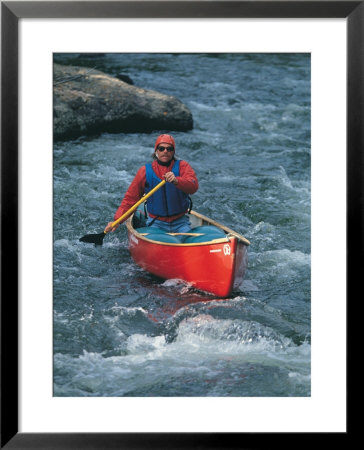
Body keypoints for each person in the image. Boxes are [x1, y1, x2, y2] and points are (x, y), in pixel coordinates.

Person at [104, 134, 198, 235]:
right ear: (156, 151)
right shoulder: (144, 171)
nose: (165, 151)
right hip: (156, 223)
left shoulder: (183, 166)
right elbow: (130, 199)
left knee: (188, 240)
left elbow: (193, 187)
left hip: (180, 222)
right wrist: (117, 220)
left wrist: (177, 181)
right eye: (161, 148)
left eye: (169, 149)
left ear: (173, 151)